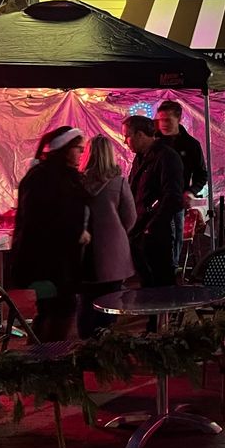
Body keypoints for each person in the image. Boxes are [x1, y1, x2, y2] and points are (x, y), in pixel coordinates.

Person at [10, 126, 90, 342]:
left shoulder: (62, 176)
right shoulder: (43, 178)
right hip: (46, 263)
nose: (81, 154)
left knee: (53, 309)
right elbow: (40, 219)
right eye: (78, 149)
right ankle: (45, 359)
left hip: (60, 262)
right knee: (56, 310)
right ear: (63, 148)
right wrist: (76, 232)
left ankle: (45, 358)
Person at [79, 135, 136, 338]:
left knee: (86, 302)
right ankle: (105, 344)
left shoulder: (78, 182)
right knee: (110, 302)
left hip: (84, 251)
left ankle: (86, 343)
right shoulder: (119, 182)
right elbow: (130, 217)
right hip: (113, 252)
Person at [122, 115, 185, 289]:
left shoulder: (166, 157)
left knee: (161, 285)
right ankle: (152, 315)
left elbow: (172, 196)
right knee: (147, 284)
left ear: (140, 134)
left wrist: (152, 227)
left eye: (127, 136)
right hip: (140, 229)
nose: (125, 141)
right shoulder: (140, 158)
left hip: (156, 235)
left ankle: (162, 315)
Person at [155, 99, 208, 265]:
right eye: (160, 120)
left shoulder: (191, 145)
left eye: (167, 120)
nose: (163, 124)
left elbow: (202, 174)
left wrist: (191, 191)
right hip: (153, 201)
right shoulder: (153, 143)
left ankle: (172, 272)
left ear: (178, 119)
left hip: (176, 202)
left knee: (174, 242)